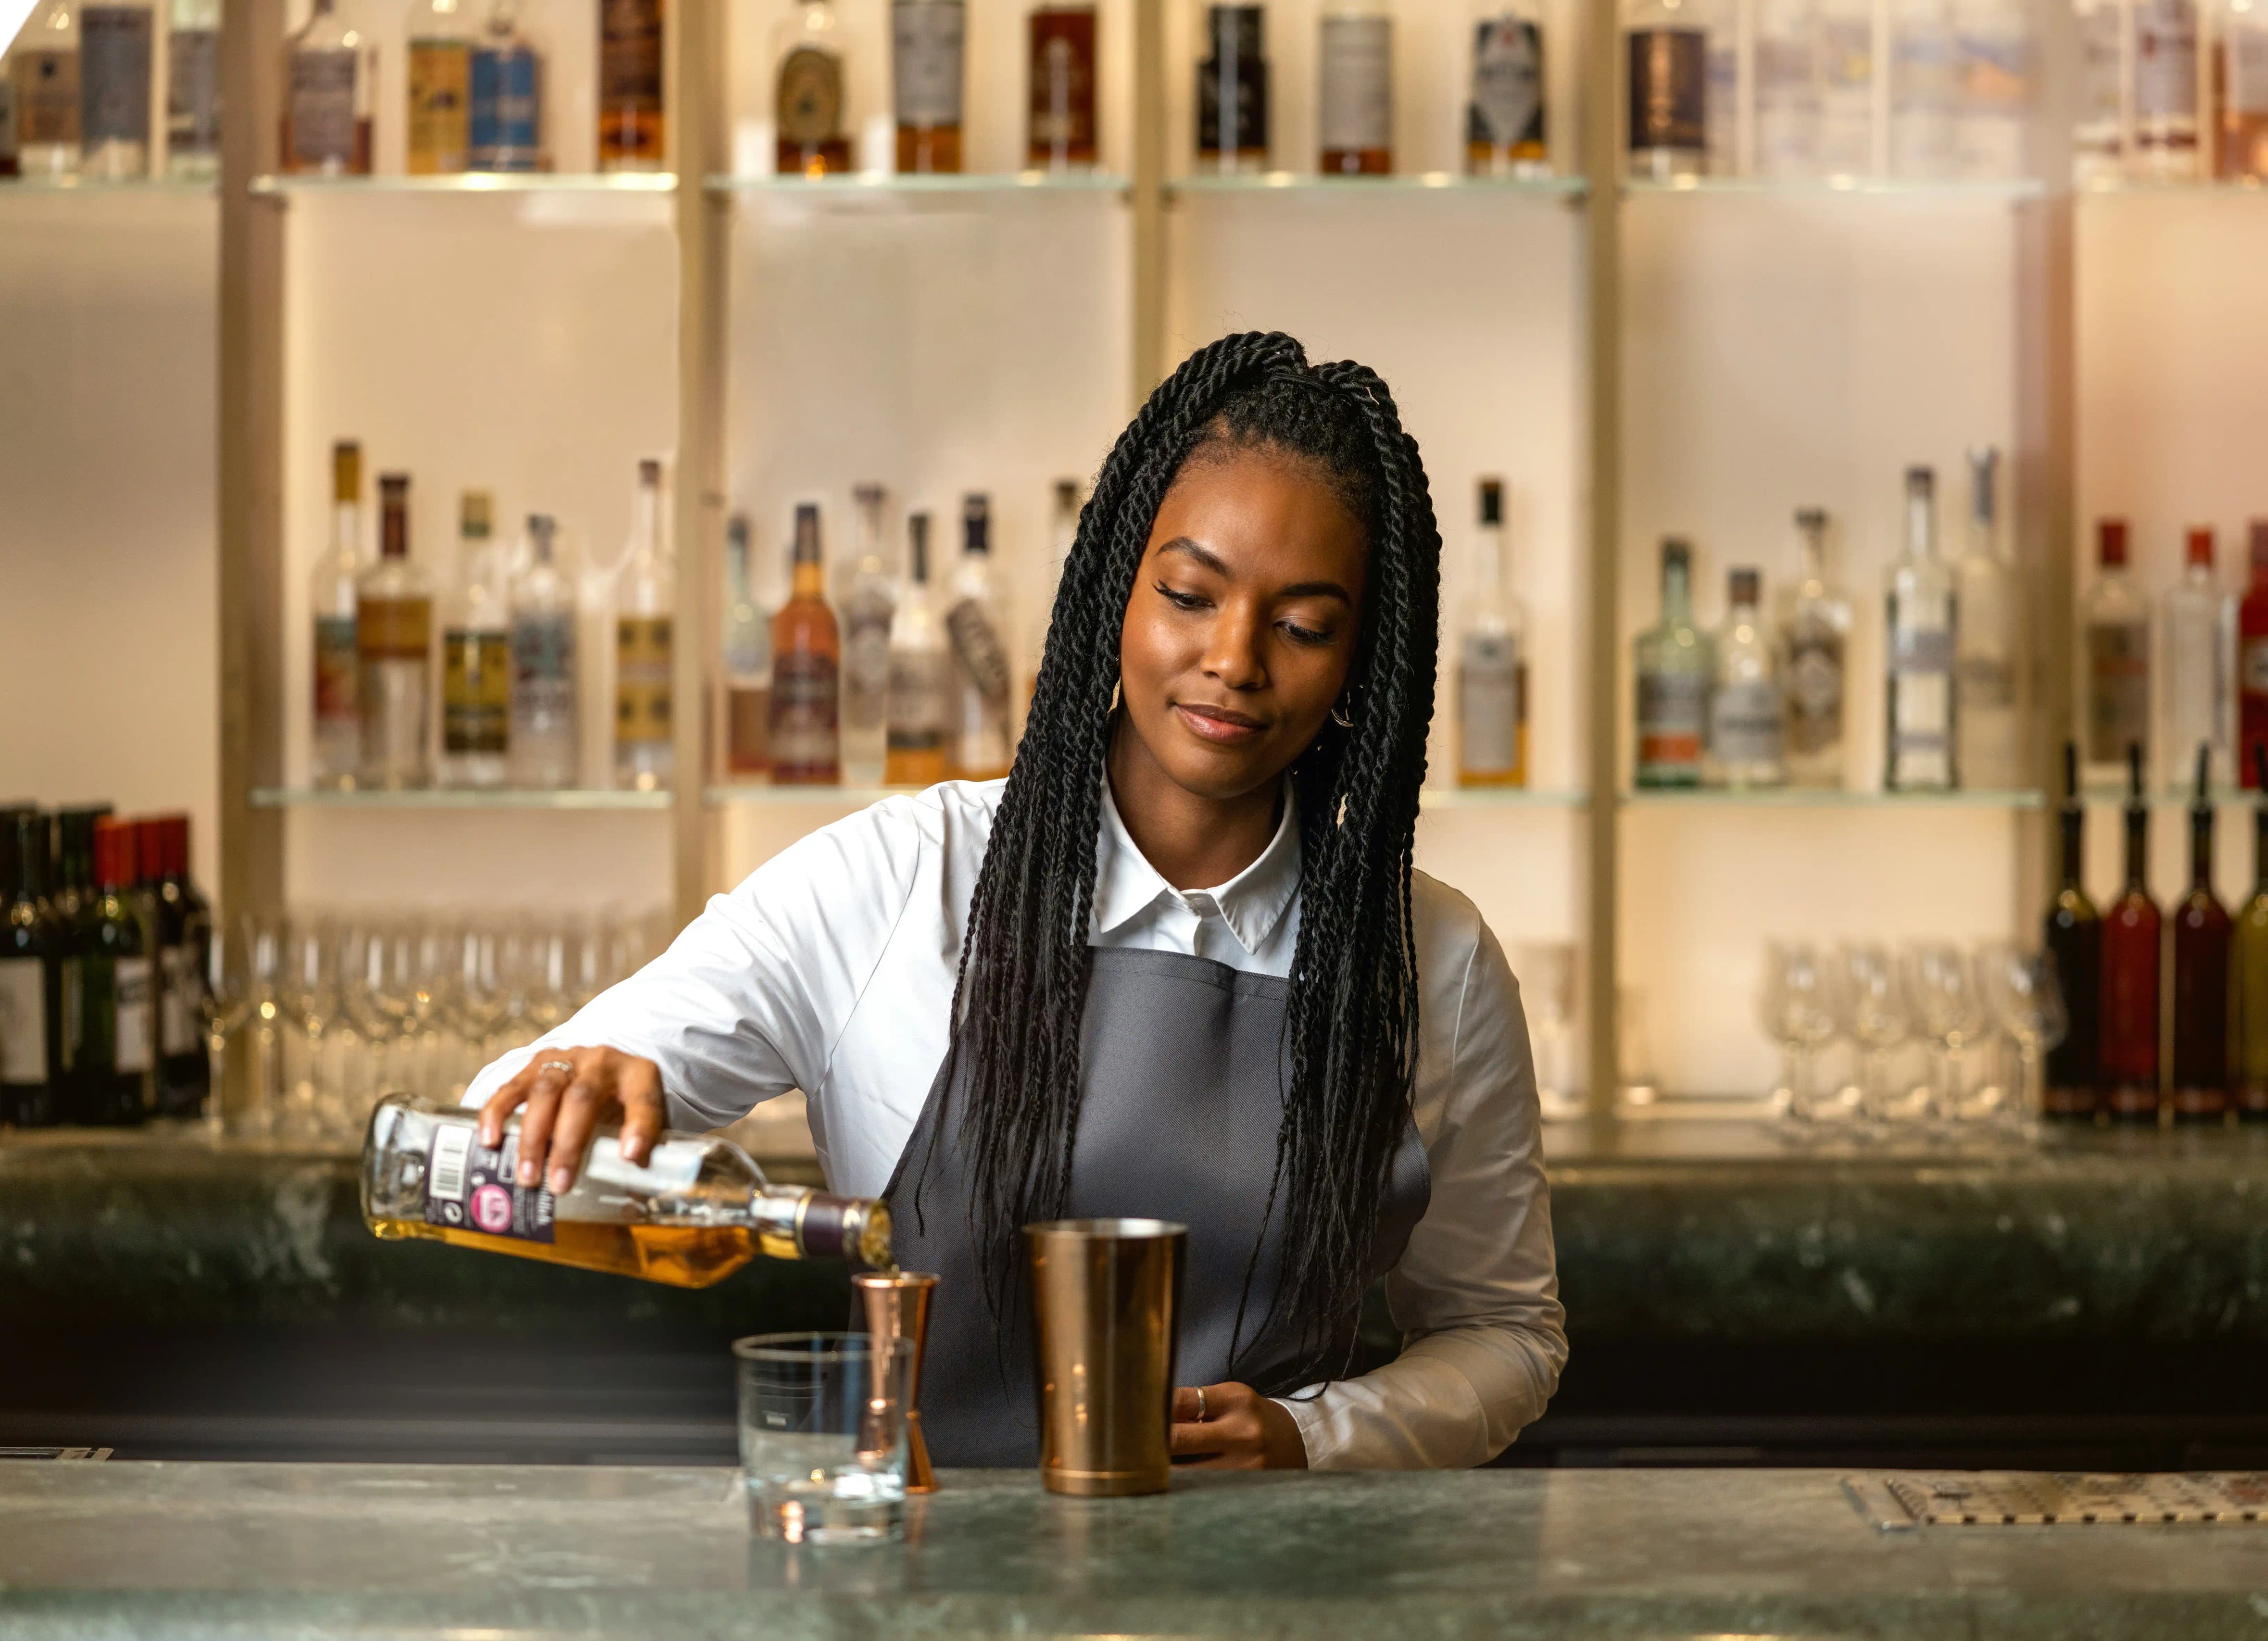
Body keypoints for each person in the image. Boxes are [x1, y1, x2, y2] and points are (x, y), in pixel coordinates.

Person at [466, 331, 1565, 1470]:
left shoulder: (1429, 960)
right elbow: (502, 1130)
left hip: (1271, 1598)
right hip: (919, 1592)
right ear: (1111, 595)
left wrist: (1316, 1436)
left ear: (1361, 663)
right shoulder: (900, 875)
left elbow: (1505, 1333)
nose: (1233, 658)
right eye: (1189, 594)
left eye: (1301, 627)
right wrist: (576, 1084)